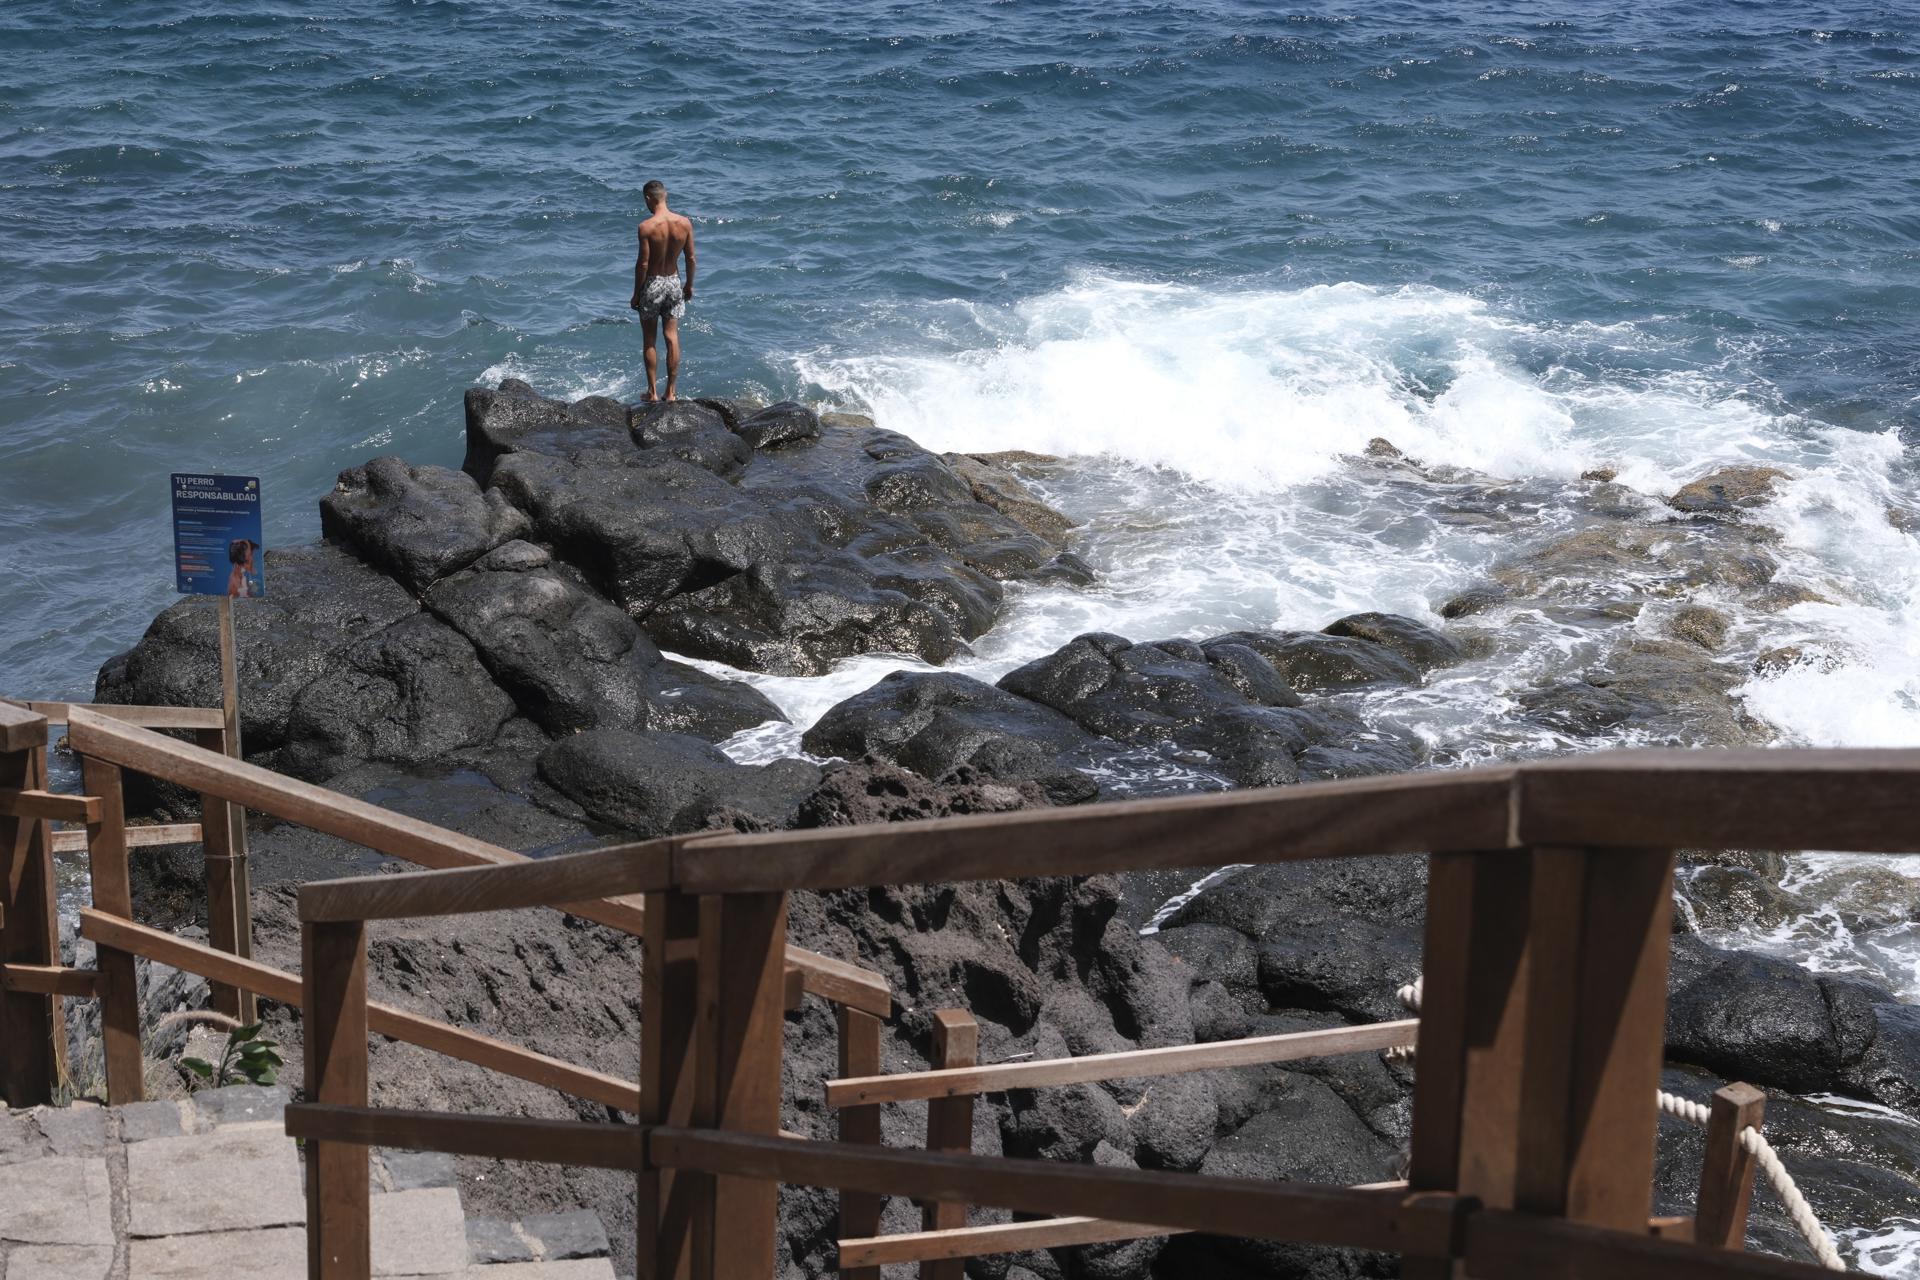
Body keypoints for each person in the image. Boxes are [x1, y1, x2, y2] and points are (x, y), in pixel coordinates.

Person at [629, 180, 697, 402]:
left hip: (653, 283)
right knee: (672, 336)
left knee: (649, 340)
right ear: (665, 196)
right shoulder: (684, 223)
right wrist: (689, 284)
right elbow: (691, 258)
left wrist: (637, 293)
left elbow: (643, 265)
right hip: (674, 282)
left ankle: (652, 393)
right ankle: (671, 392)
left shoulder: (646, 227)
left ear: (649, 198)